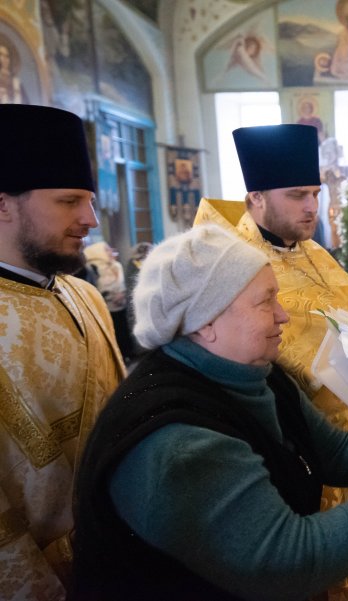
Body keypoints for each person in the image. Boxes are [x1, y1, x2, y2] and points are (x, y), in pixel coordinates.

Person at [71, 224, 348, 600]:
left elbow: (333, 452)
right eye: (266, 302)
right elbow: (288, 561)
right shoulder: (179, 446)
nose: (283, 315)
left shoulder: (257, 374)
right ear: (206, 323)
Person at [194, 124, 348, 601]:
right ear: (256, 198)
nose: (311, 207)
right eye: (297, 195)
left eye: (315, 194)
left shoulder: (312, 252)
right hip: (295, 453)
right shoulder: (233, 265)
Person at [0, 104, 125, 599]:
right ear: (3, 205)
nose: (90, 220)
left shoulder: (85, 295)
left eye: (89, 202)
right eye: (69, 201)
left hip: (123, 555)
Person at [84, 241, 133, 361]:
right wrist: (110, 297)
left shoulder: (116, 266)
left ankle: (127, 354)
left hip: (121, 305)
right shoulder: (92, 268)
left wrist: (122, 294)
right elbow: (91, 289)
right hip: (104, 307)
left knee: (123, 329)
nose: (111, 251)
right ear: (98, 252)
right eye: (106, 249)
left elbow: (122, 284)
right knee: (110, 332)